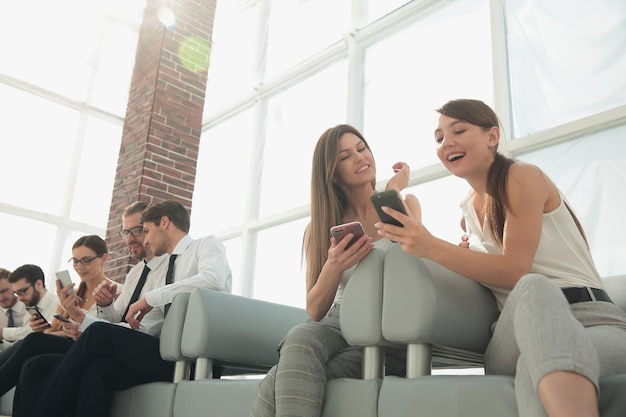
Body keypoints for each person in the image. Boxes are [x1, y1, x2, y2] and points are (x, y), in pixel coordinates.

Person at [373, 98, 626, 417]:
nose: (446, 142)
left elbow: (514, 270)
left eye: (459, 130)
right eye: (439, 138)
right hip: (513, 332)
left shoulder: (522, 176)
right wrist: (397, 188)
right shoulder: (467, 214)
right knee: (534, 289)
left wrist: (434, 246)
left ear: (492, 136)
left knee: (534, 370)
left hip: (592, 320)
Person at [249, 124, 420, 417]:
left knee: (277, 382)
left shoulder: (405, 205)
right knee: (301, 335)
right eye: (345, 156)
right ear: (332, 172)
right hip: (336, 326)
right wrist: (334, 264)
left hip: (386, 334)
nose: (359, 157)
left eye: (361, 148)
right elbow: (315, 311)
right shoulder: (317, 229)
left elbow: (413, 267)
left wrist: (392, 191)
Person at [14, 199, 233, 417]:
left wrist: (150, 298)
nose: (144, 239)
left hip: (187, 358)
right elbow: (141, 326)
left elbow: (212, 279)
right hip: (157, 349)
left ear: (164, 222)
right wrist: (100, 309)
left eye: (145, 230)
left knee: (92, 335)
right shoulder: (150, 273)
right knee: (96, 368)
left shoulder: (206, 245)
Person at [13, 201, 168, 411]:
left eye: (138, 230)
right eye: (126, 232)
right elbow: (112, 319)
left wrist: (81, 320)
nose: (130, 238)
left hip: (143, 347)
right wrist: (87, 312)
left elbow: (119, 328)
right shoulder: (135, 274)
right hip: (109, 340)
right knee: (34, 362)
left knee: (42, 343)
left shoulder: (170, 269)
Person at [0, 235, 121, 407]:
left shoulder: (115, 292)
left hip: (89, 348)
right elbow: (50, 332)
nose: (80, 267)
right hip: (68, 345)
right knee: (30, 354)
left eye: (86, 260)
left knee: (33, 340)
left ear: (104, 258)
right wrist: (64, 314)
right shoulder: (71, 294)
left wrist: (70, 323)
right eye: (76, 261)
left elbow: (110, 331)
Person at [0, 268, 27, 351]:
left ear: (14, 286)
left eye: (3, 291)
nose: (1, 298)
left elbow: (35, 335)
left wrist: (2, 332)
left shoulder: (30, 306)